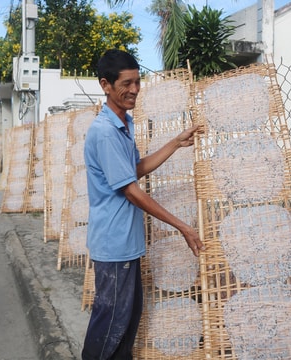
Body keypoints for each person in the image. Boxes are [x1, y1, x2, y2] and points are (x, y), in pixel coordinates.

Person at [82, 49, 204, 360]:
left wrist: (175, 143)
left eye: (138, 82)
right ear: (105, 85)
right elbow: (132, 190)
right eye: (127, 83)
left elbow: (132, 170)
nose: (135, 89)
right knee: (109, 325)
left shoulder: (123, 125)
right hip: (114, 244)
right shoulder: (106, 132)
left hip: (126, 244)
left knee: (126, 323)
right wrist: (182, 227)